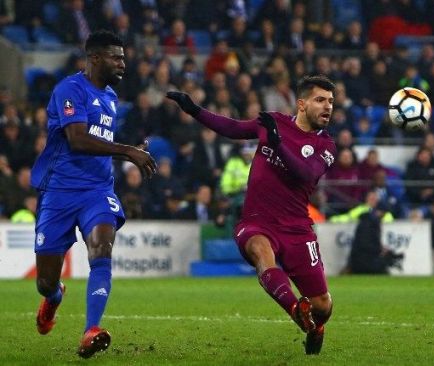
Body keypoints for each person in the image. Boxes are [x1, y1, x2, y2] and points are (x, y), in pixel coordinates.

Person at [166, 75, 337, 355]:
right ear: (302, 103)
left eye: (331, 101)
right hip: (257, 221)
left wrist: (277, 143)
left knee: (323, 305)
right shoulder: (273, 122)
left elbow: (306, 173)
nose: (328, 106)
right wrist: (194, 110)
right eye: (320, 100)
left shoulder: (326, 146)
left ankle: (316, 325)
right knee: (260, 251)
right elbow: (232, 127)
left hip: (297, 229)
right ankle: (295, 310)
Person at [31, 30, 157, 358]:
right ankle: (54, 297)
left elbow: (100, 144)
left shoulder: (112, 97)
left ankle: (91, 329)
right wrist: (128, 150)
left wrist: (128, 151)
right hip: (58, 191)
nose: (123, 64)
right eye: (116, 57)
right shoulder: (69, 90)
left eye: (124, 58)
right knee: (44, 281)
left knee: (101, 250)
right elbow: (78, 140)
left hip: (97, 191)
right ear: (95, 58)